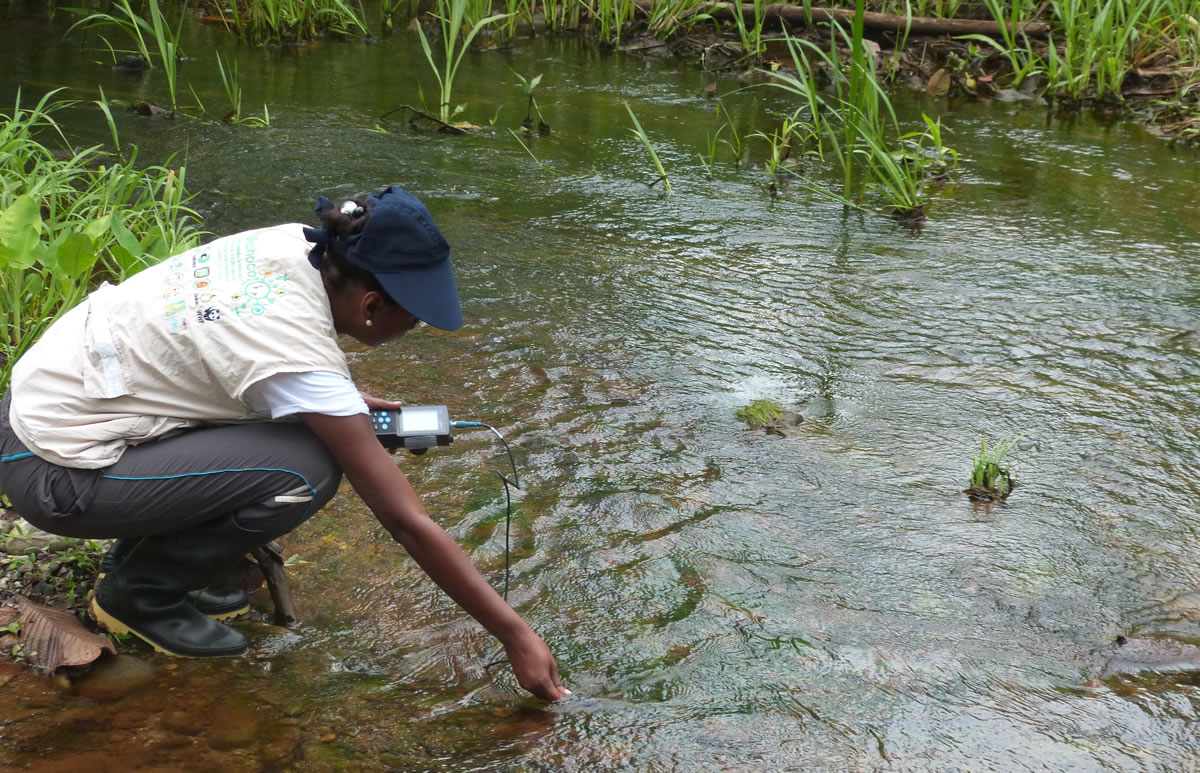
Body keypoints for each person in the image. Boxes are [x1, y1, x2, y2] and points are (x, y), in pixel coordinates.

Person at [0, 186, 569, 702]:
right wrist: (515, 635)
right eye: (412, 320)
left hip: (42, 400)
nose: (411, 330)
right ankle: (140, 596)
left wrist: (338, 400)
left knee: (304, 433)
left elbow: (243, 354)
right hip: (52, 470)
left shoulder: (297, 246)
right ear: (371, 306)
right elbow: (406, 522)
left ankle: (145, 563)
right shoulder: (297, 358)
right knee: (308, 467)